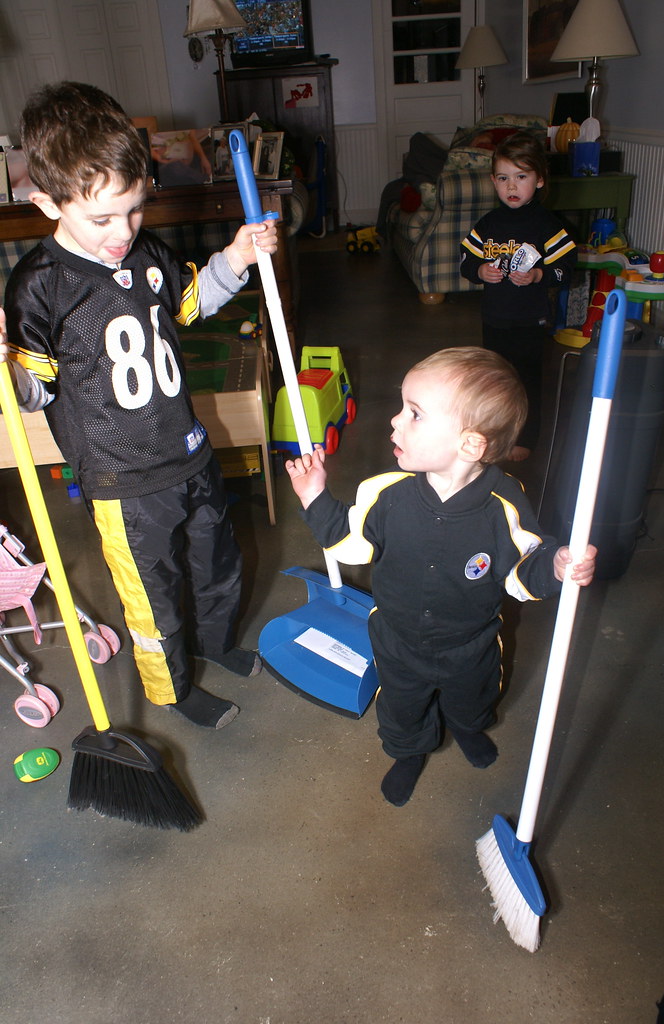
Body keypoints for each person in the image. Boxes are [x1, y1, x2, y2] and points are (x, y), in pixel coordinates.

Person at [1, 81, 278, 729]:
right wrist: (8, 365)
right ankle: (171, 689)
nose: (122, 232)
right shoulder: (39, 287)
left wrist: (236, 257)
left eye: (134, 210)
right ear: (47, 203)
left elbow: (189, 302)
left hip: (189, 450)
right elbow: (33, 392)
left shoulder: (146, 249)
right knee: (153, 600)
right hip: (123, 479)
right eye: (101, 219)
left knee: (218, 565)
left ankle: (216, 643)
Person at [285, 348, 596, 807]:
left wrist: (555, 566)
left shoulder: (505, 505)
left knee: (474, 697)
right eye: (402, 408)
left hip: (470, 641)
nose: (394, 421)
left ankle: (468, 728)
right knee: (401, 705)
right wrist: (315, 498)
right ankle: (409, 751)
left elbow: (520, 571)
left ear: (470, 445)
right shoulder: (385, 494)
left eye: (414, 414)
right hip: (397, 638)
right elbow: (349, 543)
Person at [460, 131, 577, 461]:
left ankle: (525, 438)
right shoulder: (488, 225)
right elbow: (466, 261)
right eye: (503, 178)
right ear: (493, 181)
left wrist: (539, 275)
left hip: (530, 320)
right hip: (494, 318)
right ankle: (494, 434)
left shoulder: (547, 226)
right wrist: (480, 271)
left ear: (539, 180)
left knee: (526, 380)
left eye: (521, 177)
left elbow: (567, 267)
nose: (511, 186)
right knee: (494, 380)